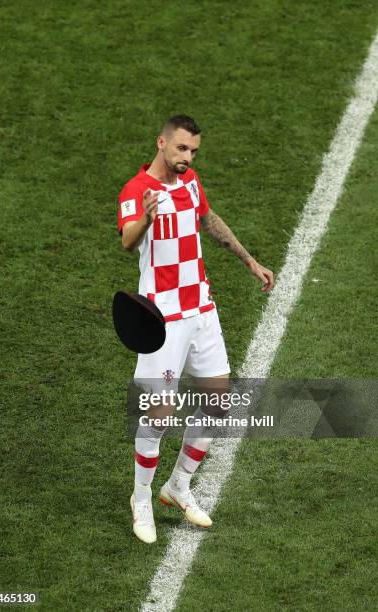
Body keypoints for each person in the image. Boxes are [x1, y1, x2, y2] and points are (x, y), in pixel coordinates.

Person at [117, 115, 274, 544]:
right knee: (159, 413)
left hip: (202, 309)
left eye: (194, 152)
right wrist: (147, 219)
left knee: (217, 402)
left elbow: (209, 219)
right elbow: (128, 240)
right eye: (182, 149)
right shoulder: (136, 191)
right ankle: (141, 497)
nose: (188, 158)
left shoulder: (190, 182)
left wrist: (250, 261)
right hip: (162, 319)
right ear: (162, 142)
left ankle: (179, 485)